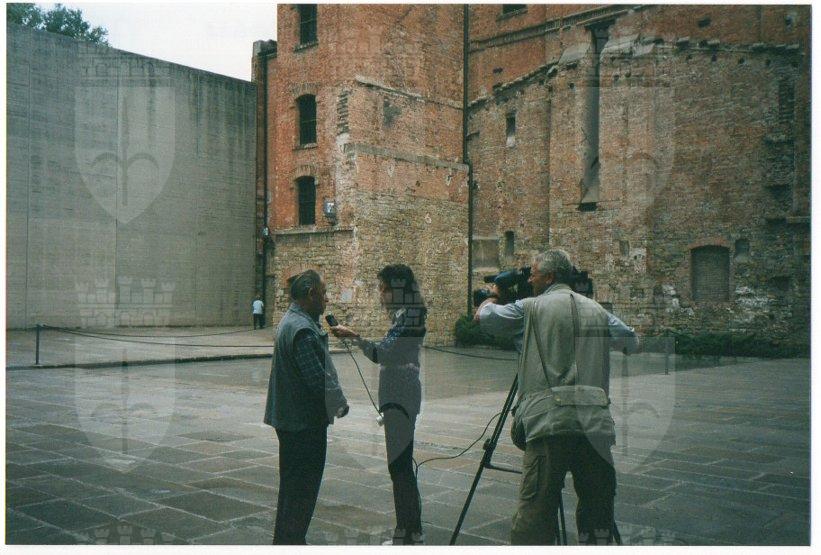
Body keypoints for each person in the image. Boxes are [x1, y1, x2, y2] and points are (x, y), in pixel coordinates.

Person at [475, 248, 637, 545]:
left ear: (549, 277)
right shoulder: (596, 310)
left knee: (535, 510)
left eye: (534, 274)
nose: (530, 280)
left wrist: (493, 296)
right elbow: (630, 342)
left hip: (550, 423)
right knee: (598, 507)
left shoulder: (530, 308)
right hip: (594, 424)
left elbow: (485, 318)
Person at [329, 264, 426, 546]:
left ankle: (407, 537)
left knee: (399, 468)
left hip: (400, 397)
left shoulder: (410, 316)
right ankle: (411, 531)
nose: (381, 295)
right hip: (400, 397)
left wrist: (354, 336)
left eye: (384, 289)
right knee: (401, 466)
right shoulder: (407, 315)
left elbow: (382, 353)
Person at [263, 270, 349, 545]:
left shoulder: (291, 321)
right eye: (324, 293)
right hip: (303, 423)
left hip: (290, 419)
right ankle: (292, 541)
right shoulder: (303, 329)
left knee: (292, 489)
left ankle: (287, 540)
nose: (327, 299)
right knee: (302, 490)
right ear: (311, 294)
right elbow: (317, 380)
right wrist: (340, 403)